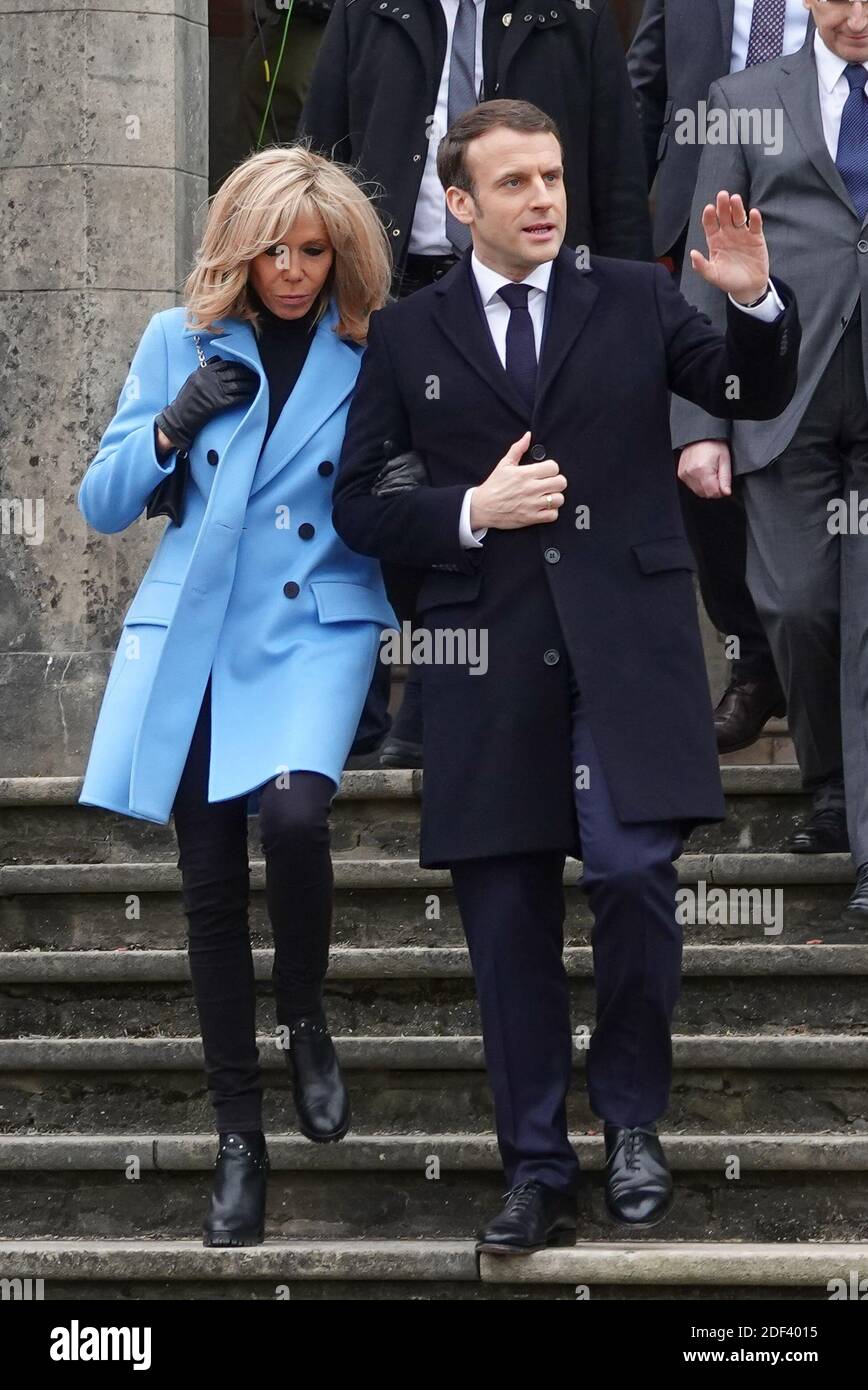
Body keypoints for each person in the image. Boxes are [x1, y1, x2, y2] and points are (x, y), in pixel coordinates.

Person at [332, 99, 800, 1253]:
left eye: (551, 175)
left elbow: (749, 396)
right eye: (515, 183)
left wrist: (750, 302)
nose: (543, 197)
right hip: (485, 663)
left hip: (627, 651)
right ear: (460, 202)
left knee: (637, 875)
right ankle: (535, 1169)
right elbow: (360, 504)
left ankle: (633, 1122)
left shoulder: (637, 297)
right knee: (505, 927)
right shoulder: (406, 336)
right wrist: (467, 511)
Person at [76, 147, 397, 1246]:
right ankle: (238, 1140)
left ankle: (303, 1008)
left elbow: (391, 484)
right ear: (240, 247)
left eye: (314, 251)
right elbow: (103, 501)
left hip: (316, 620)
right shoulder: (181, 340)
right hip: (200, 631)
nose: (295, 272)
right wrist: (169, 424)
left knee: (300, 814)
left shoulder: (370, 349)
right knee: (209, 886)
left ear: (342, 252)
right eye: (275, 251)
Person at [300, 0, 654, 769]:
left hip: (533, 294)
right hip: (387, 296)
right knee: (387, 495)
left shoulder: (572, 17)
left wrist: (623, 317)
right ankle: (365, 713)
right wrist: (324, 297)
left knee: (494, 491)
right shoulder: (369, 13)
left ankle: (431, 707)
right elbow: (315, 158)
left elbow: (618, 175)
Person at [671, 0, 868, 922]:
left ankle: (848, 806)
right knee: (797, 601)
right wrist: (701, 420)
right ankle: (828, 777)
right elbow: (710, 267)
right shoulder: (743, 98)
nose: (858, 15)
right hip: (786, 390)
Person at [628, 0, 814, 754]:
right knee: (698, 438)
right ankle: (755, 655)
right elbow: (643, 87)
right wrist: (618, 237)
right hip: (700, 223)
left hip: (831, 208)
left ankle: (813, 671)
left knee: (818, 435)